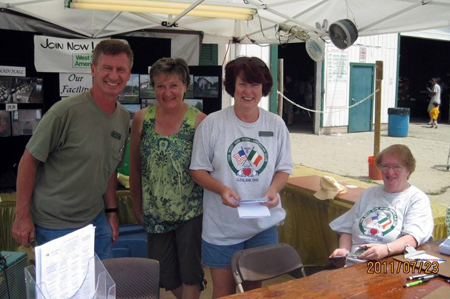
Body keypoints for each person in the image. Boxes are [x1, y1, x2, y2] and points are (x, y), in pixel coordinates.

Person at [11, 39, 133, 260]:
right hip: (56, 226)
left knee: (100, 289)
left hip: (96, 221)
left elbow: (109, 169)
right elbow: (29, 160)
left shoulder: (123, 117)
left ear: (129, 74)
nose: (114, 76)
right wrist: (21, 216)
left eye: (120, 69)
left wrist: (112, 213)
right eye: (107, 67)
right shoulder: (65, 112)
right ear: (93, 70)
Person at [190, 56, 293, 298]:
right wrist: (221, 189)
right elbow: (197, 170)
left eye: (255, 85)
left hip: (261, 226)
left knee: (253, 293)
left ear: (264, 88)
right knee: (224, 293)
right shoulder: (213, 123)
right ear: (232, 87)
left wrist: (274, 190)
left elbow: (283, 168)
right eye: (242, 84)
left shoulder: (276, 124)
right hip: (222, 227)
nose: (248, 91)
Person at [129, 57, 206, 299]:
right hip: (154, 211)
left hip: (191, 212)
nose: (167, 92)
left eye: (173, 85)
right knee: (165, 273)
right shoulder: (142, 119)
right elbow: (134, 166)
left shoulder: (200, 121)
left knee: (191, 273)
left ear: (185, 86)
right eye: (160, 86)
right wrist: (137, 204)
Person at [329, 144, 433, 265]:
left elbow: (413, 237)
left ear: (408, 169)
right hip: (352, 265)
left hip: (388, 267)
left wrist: (386, 249)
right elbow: (347, 228)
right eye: (385, 166)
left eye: (396, 167)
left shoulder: (417, 199)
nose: (390, 171)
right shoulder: (368, 194)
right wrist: (344, 250)